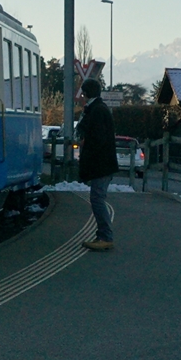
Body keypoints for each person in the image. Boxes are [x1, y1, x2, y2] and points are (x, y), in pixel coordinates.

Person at [75, 77, 118, 250]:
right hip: (103, 163)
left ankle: (105, 237)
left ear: (85, 93)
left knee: (97, 199)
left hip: (102, 163)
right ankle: (103, 236)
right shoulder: (98, 108)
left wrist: (85, 143)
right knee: (97, 198)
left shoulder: (97, 110)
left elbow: (97, 138)